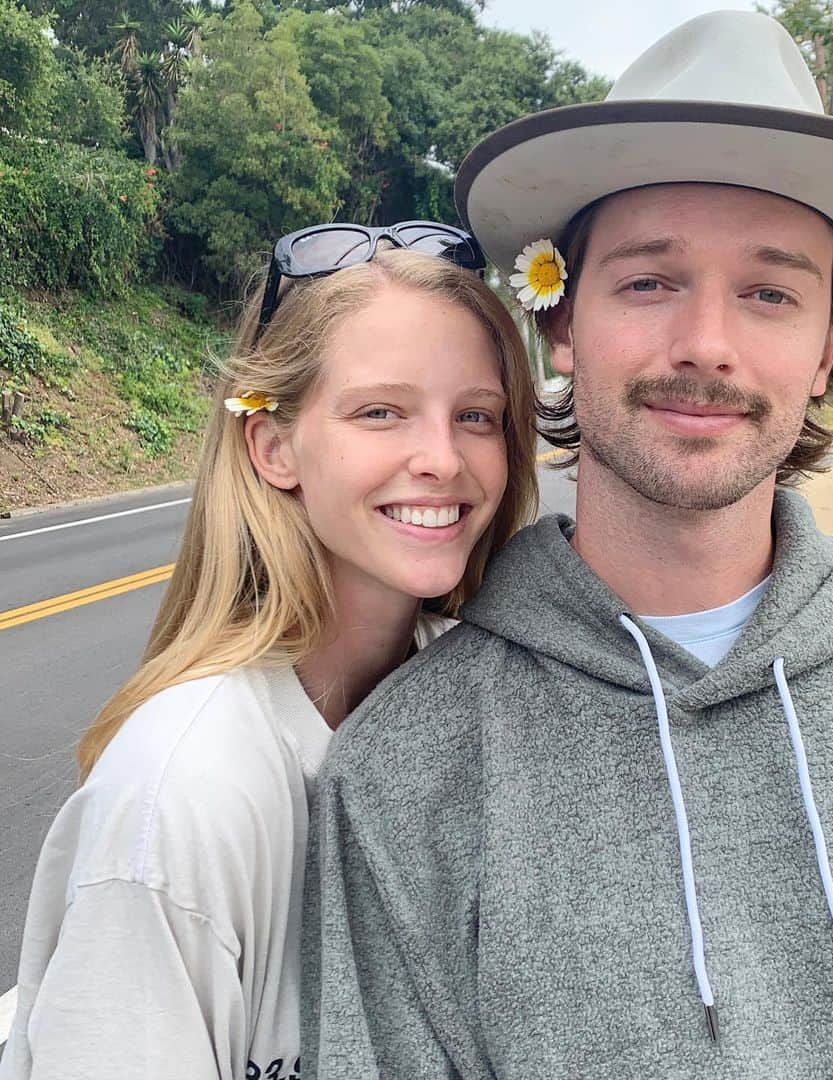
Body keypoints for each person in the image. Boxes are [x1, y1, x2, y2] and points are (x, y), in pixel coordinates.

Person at [304, 12, 833, 1080]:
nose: (705, 343)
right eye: (650, 281)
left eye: (770, 292)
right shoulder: (407, 770)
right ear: (562, 324)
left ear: (831, 351)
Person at [0, 223, 538, 1079]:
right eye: (381, 412)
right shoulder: (177, 801)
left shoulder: (490, 708)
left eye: (477, 416)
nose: (443, 458)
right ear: (273, 446)